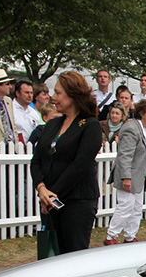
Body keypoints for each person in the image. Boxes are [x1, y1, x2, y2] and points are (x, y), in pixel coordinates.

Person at [31, 71, 103, 253]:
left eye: (58, 93)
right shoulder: (52, 125)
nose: (53, 98)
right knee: (52, 256)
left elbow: (81, 165)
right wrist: (41, 188)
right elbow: (37, 159)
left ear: (73, 94)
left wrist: (52, 194)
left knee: (73, 256)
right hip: (49, 201)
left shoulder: (90, 125)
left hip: (77, 202)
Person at [105, 99, 146, 245]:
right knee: (125, 206)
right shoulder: (131, 128)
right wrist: (126, 177)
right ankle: (111, 236)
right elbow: (125, 155)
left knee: (136, 208)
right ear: (142, 113)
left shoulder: (144, 129)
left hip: (139, 176)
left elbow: (143, 155)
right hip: (129, 176)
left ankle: (130, 236)